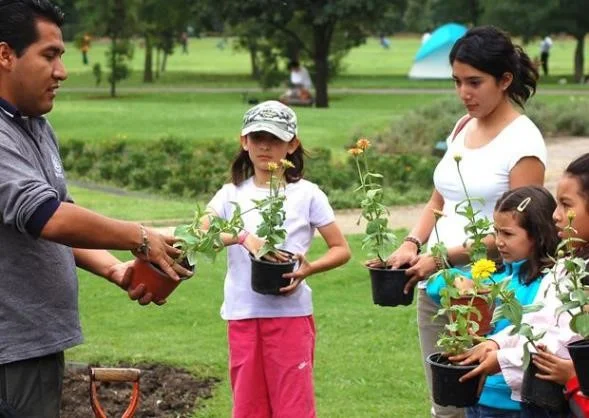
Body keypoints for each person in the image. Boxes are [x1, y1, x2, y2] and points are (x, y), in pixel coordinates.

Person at [0, 1, 190, 416]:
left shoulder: (33, 125)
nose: (62, 71)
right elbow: (44, 216)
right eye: (49, 55)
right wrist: (139, 237)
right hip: (9, 356)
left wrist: (115, 268)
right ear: (5, 55)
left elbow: (61, 212)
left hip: (33, 346)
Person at [368, 25, 545, 418]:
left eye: (474, 82)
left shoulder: (524, 143)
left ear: (505, 80)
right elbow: (439, 199)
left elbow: (524, 235)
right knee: (444, 403)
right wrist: (412, 244)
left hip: (488, 293)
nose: (464, 93)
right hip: (436, 285)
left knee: (478, 403)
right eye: (457, 82)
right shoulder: (463, 127)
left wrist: (443, 256)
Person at [204, 100, 351, 417]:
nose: (265, 146)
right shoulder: (230, 195)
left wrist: (309, 268)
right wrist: (242, 236)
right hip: (243, 315)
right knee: (248, 407)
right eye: (257, 138)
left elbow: (341, 249)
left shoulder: (307, 193)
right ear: (244, 142)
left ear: (292, 144)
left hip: (291, 316)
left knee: (293, 407)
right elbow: (197, 236)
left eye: (275, 139)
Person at [451, 153, 589, 418]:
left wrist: (503, 359)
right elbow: (541, 323)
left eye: (566, 204)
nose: (556, 216)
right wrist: (497, 344)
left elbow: (562, 340)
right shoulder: (569, 265)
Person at [427, 186, 559, 417]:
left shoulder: (546, 283)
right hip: (477, 391)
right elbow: (434, 287)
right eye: (496, 232)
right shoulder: (493, 274)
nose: (498, 242)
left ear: (538, 234)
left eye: (507, 234)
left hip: (515, 399)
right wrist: (459, 281)